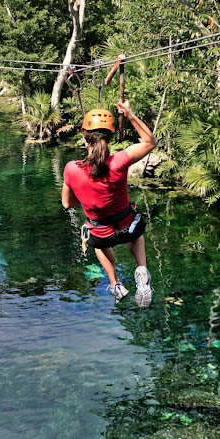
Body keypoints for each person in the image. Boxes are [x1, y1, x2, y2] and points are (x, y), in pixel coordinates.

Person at [61, 101, 157, 307]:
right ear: (110, 138)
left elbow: (67, 203)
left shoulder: (71, 169)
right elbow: (150, 142)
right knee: (136, 231)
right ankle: (141, 269)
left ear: (84, 137)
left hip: (101, 233)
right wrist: (130, 114)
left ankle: (115, 285)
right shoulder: (120, 161)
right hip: (128, 226)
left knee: (96, 240)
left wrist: (84, 192)